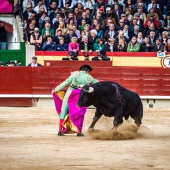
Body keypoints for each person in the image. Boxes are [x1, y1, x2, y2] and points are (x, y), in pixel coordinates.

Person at [51, 64, 98, 136]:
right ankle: (79, 132)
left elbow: (65, 83)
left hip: (70, 93)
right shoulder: (89, 77)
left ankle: (60, 131)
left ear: (81, 69)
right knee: (79, 112)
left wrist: (56, 89)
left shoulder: (74, 75)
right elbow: (97, 83)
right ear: (87, 70)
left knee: (64, 110)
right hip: (80, 95)